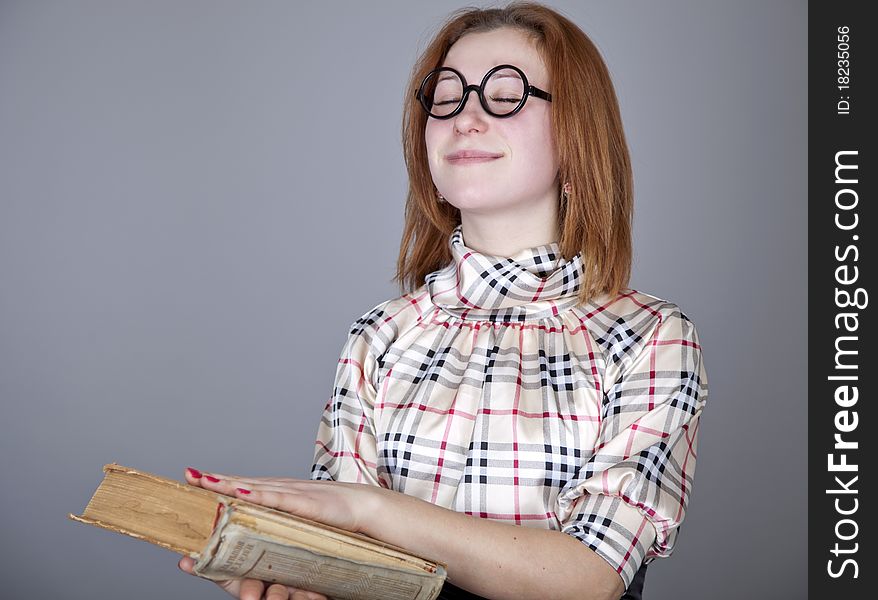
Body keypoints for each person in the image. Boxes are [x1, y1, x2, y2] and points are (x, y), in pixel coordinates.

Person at [178, 3, 708, 599]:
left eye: (505, 95)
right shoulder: (378, 337)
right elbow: (349, 564)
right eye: (446, 97)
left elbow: (590, 579)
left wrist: (369, 511)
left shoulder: (651, 336)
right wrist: (297, 574)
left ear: (578, 132)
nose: (465, 118)